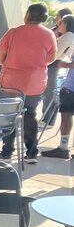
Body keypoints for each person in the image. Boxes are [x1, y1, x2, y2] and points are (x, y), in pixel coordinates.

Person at [0, 3, 57, 162]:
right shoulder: (49, 34)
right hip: (35, 83)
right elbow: (50, 58)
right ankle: (31, 152)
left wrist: (13, 64)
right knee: (30, 114)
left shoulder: (13, 32)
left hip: (11, 83)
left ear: (27, 15)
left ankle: (7, 151)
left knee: (9, 116)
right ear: (43, 17)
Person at [42, 14, 74, 160]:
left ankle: (63, 148)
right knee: (66, 116)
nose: (58, 24)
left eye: (61, 22)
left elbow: (58, 57)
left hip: (70, 87)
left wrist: (65, 64)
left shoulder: (69, 36)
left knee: (66, 116)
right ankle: (63, 147)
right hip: (69, 85)